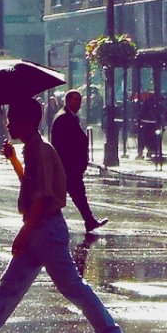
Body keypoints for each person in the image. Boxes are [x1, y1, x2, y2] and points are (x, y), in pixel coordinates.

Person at [0, 96, 128, 333]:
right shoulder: (32, 150)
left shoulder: (40, 151)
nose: (7, 124)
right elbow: (31, 185)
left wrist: (24, 233)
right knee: (9, 287)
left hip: (44, 229)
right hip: (40, 228)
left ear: (28, 122)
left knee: (72, 287)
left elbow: (42, 197)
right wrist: (14, 161)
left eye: (12, 119)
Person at [51, 90, 106, 233]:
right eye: (75, 99)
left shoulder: (70, 116)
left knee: (77, 194)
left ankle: (89, 221)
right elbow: (64, 144)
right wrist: (73, 163)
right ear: (67, 100)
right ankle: (87, 221)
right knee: (71, 195)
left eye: (79, 99)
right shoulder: (64, 117)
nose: (79, 102)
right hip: (68, 166)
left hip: (71, 166)